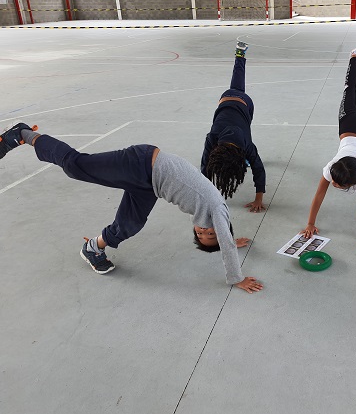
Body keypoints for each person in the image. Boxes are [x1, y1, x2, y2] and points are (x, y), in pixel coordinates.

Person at [0, 122, 263, 293]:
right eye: (211, 233)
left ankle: (93, 248)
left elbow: (225, 239)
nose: (204, 230)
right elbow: (225, 242)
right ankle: (24, 134)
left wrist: (229, 239)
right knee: (75, 165)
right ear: (221, 229)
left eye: (201, 235)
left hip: (150, 185)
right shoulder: (216, 209)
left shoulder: (212, 214)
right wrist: (236, 278)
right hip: (142, 164)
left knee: (130, 225)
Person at [301, 46, 356, 254]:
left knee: (350, 89)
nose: (332, 184)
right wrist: (310, 223)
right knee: (349, 88)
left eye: (336, 185)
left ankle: (354, 57)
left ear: (352, 184)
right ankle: (354, 57)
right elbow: (319, 195)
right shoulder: (333, 168)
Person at [201, 41, 266, 213]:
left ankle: (240, 56)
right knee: (237, 90)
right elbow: (206, 166)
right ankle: (240, 55)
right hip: (232, 100)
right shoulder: (217, 138)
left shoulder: (219, 139)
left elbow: (204, 167)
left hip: (241, 103)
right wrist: (258, 198)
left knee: (238, 96)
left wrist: (259, 198)